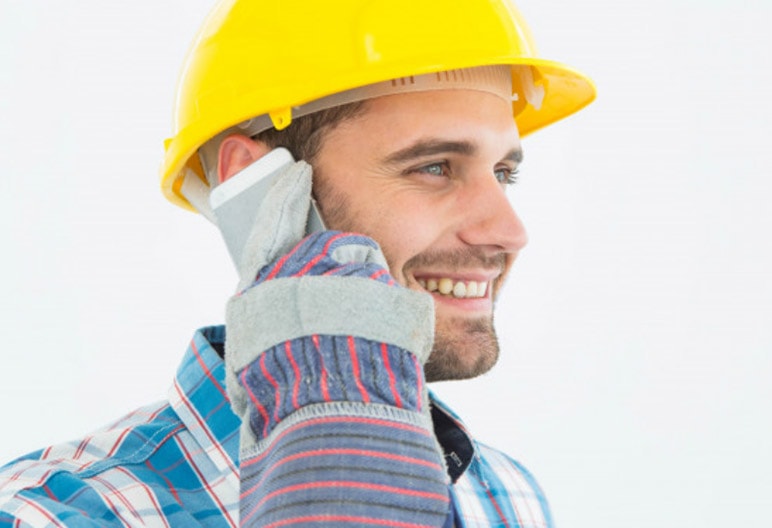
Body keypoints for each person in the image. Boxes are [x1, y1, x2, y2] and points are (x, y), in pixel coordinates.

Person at [0, 0, 595, 526]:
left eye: (504, 173)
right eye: (433, 167)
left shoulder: (507, 498)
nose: (508, 232)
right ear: (254, 186)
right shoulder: (52, 515)